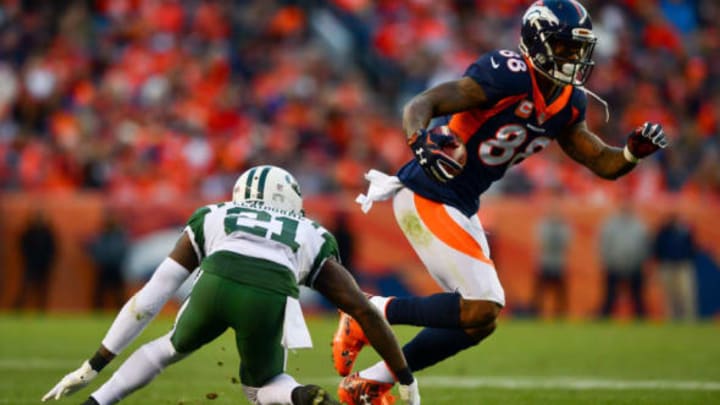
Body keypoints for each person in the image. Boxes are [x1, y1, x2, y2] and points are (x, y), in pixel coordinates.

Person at [332, 1, 668, 403]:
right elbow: (422, 104)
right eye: (563, 47)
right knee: (483, 304)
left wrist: (631, 153)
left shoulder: (569, 103)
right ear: (536, 43)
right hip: (428, 192)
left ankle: (370, 382)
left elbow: (601, 160)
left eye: (578, 49)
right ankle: (369, 310)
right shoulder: (507, 74)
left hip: (460, 202)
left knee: (478, 322)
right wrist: (419, 140)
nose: (573, 58)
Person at [42, 165, 420, 405]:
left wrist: (93, 365)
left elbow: (149, 298)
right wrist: (405, 378)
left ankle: (98, 400)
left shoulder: (215, 215)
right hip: (270, 294)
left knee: (165, 349)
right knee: (261, 387)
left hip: (216, 283)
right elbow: (363, 309)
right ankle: (298, 396)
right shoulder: (311, 233)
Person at [598, 202, 651, 319]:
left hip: (634, 265)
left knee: (637, 295)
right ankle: (605, 316)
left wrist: (643, 261)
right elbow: (604, 243)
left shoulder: (639, 224)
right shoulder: (610, 224)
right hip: (615, 265)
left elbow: (645, 245)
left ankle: (641, 316)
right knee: (610, 295)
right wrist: (606, 260)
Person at [653, 211, 697, 321]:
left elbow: (692, 247)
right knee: (669, 295)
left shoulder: (685, 231)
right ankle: (672, 319)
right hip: (668, 265)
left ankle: (689, 319)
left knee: (686, 294)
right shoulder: (664, 232)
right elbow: (658, 249)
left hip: (683, 265)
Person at [14, 209, 57, 312]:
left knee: (42, 289)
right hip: (31, 264)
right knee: (26, 287)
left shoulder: (48, 233)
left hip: (43, 265)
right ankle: (18, 308)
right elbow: (22, 247)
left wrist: (48, 261)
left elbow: (53, 249)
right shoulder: (29, 232)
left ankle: (41, 309)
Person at [532, 203, 572, 318]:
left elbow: (567, 243)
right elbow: (542, 242)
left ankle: (561, 313)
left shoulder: (564, 226)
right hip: (545, 261)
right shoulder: (544, 225)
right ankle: (536, 312)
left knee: (560, 292)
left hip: (559, 262)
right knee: (541, 291)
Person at [87, 210, 130, 311]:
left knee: (117, 294)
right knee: (100, 294)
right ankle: (97, 312)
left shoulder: (116, 235)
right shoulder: (108, 235)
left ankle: (122, 312)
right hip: (106, 267)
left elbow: (119, 251)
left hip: (114, 267)